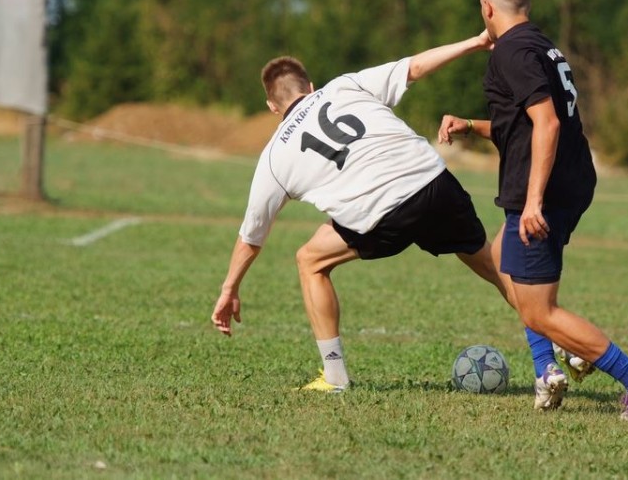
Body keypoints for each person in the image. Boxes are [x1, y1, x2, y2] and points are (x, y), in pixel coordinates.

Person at [210, 31, 567, 407]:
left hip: (381, 214)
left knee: (309, 260)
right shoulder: (344, 86)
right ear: (310, 86)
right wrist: (474, 44)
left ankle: (334, 376)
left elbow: (251, 237)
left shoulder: (273, 157)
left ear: (272, 106)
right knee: (494, 266)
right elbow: (415, 67)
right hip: (432, 181)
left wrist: (229, 289)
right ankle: (564, 341)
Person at [438, 0, 628, 421]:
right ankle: (547, 367)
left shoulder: (511, 53)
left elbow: (546, 123)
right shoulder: (542, 46)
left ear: (487, 8)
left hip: (543, 190)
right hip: (570, 180)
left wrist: (533, 202)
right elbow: (523, 124)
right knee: (502, 258)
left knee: (539, 312)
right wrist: (470, 125)